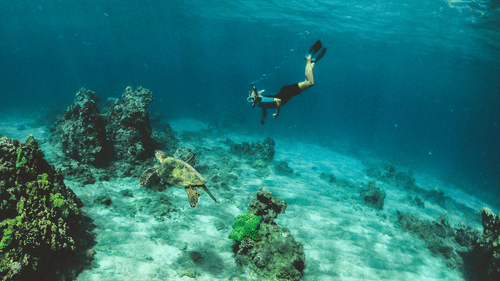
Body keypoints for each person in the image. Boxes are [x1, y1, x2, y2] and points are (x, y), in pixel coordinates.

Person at [247, 40, 327, 125]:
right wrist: (263, 119)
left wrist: (277, 113)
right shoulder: (260, 103)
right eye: (251, 98)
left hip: (287, 92)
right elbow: (265, 110)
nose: (252, 100)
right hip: (287, 93)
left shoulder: (261, 100)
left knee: (309, 82)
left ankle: (309, 58)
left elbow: (278, 101)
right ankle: (312, 62)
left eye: (251, 97)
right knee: (308, 81)